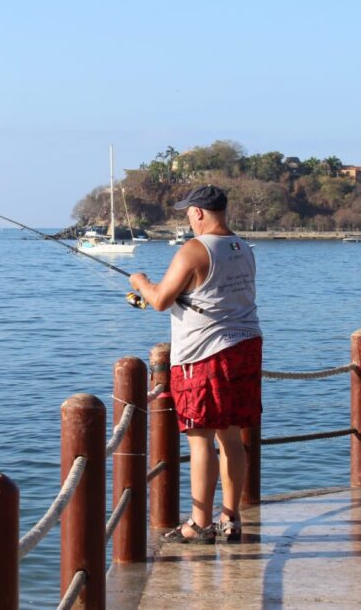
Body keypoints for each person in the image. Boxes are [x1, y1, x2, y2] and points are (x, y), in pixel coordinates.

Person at [129, 184, 262, 544]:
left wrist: (139, 281)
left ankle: (200, 523)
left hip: (204, 355)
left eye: (188, 211)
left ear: (199, 212)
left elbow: (159, 300)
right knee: (231, 436)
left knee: (200, 439)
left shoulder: (195, 249)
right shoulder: (243, 248)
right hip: (246, 346)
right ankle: (230, 519)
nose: (188, 218)